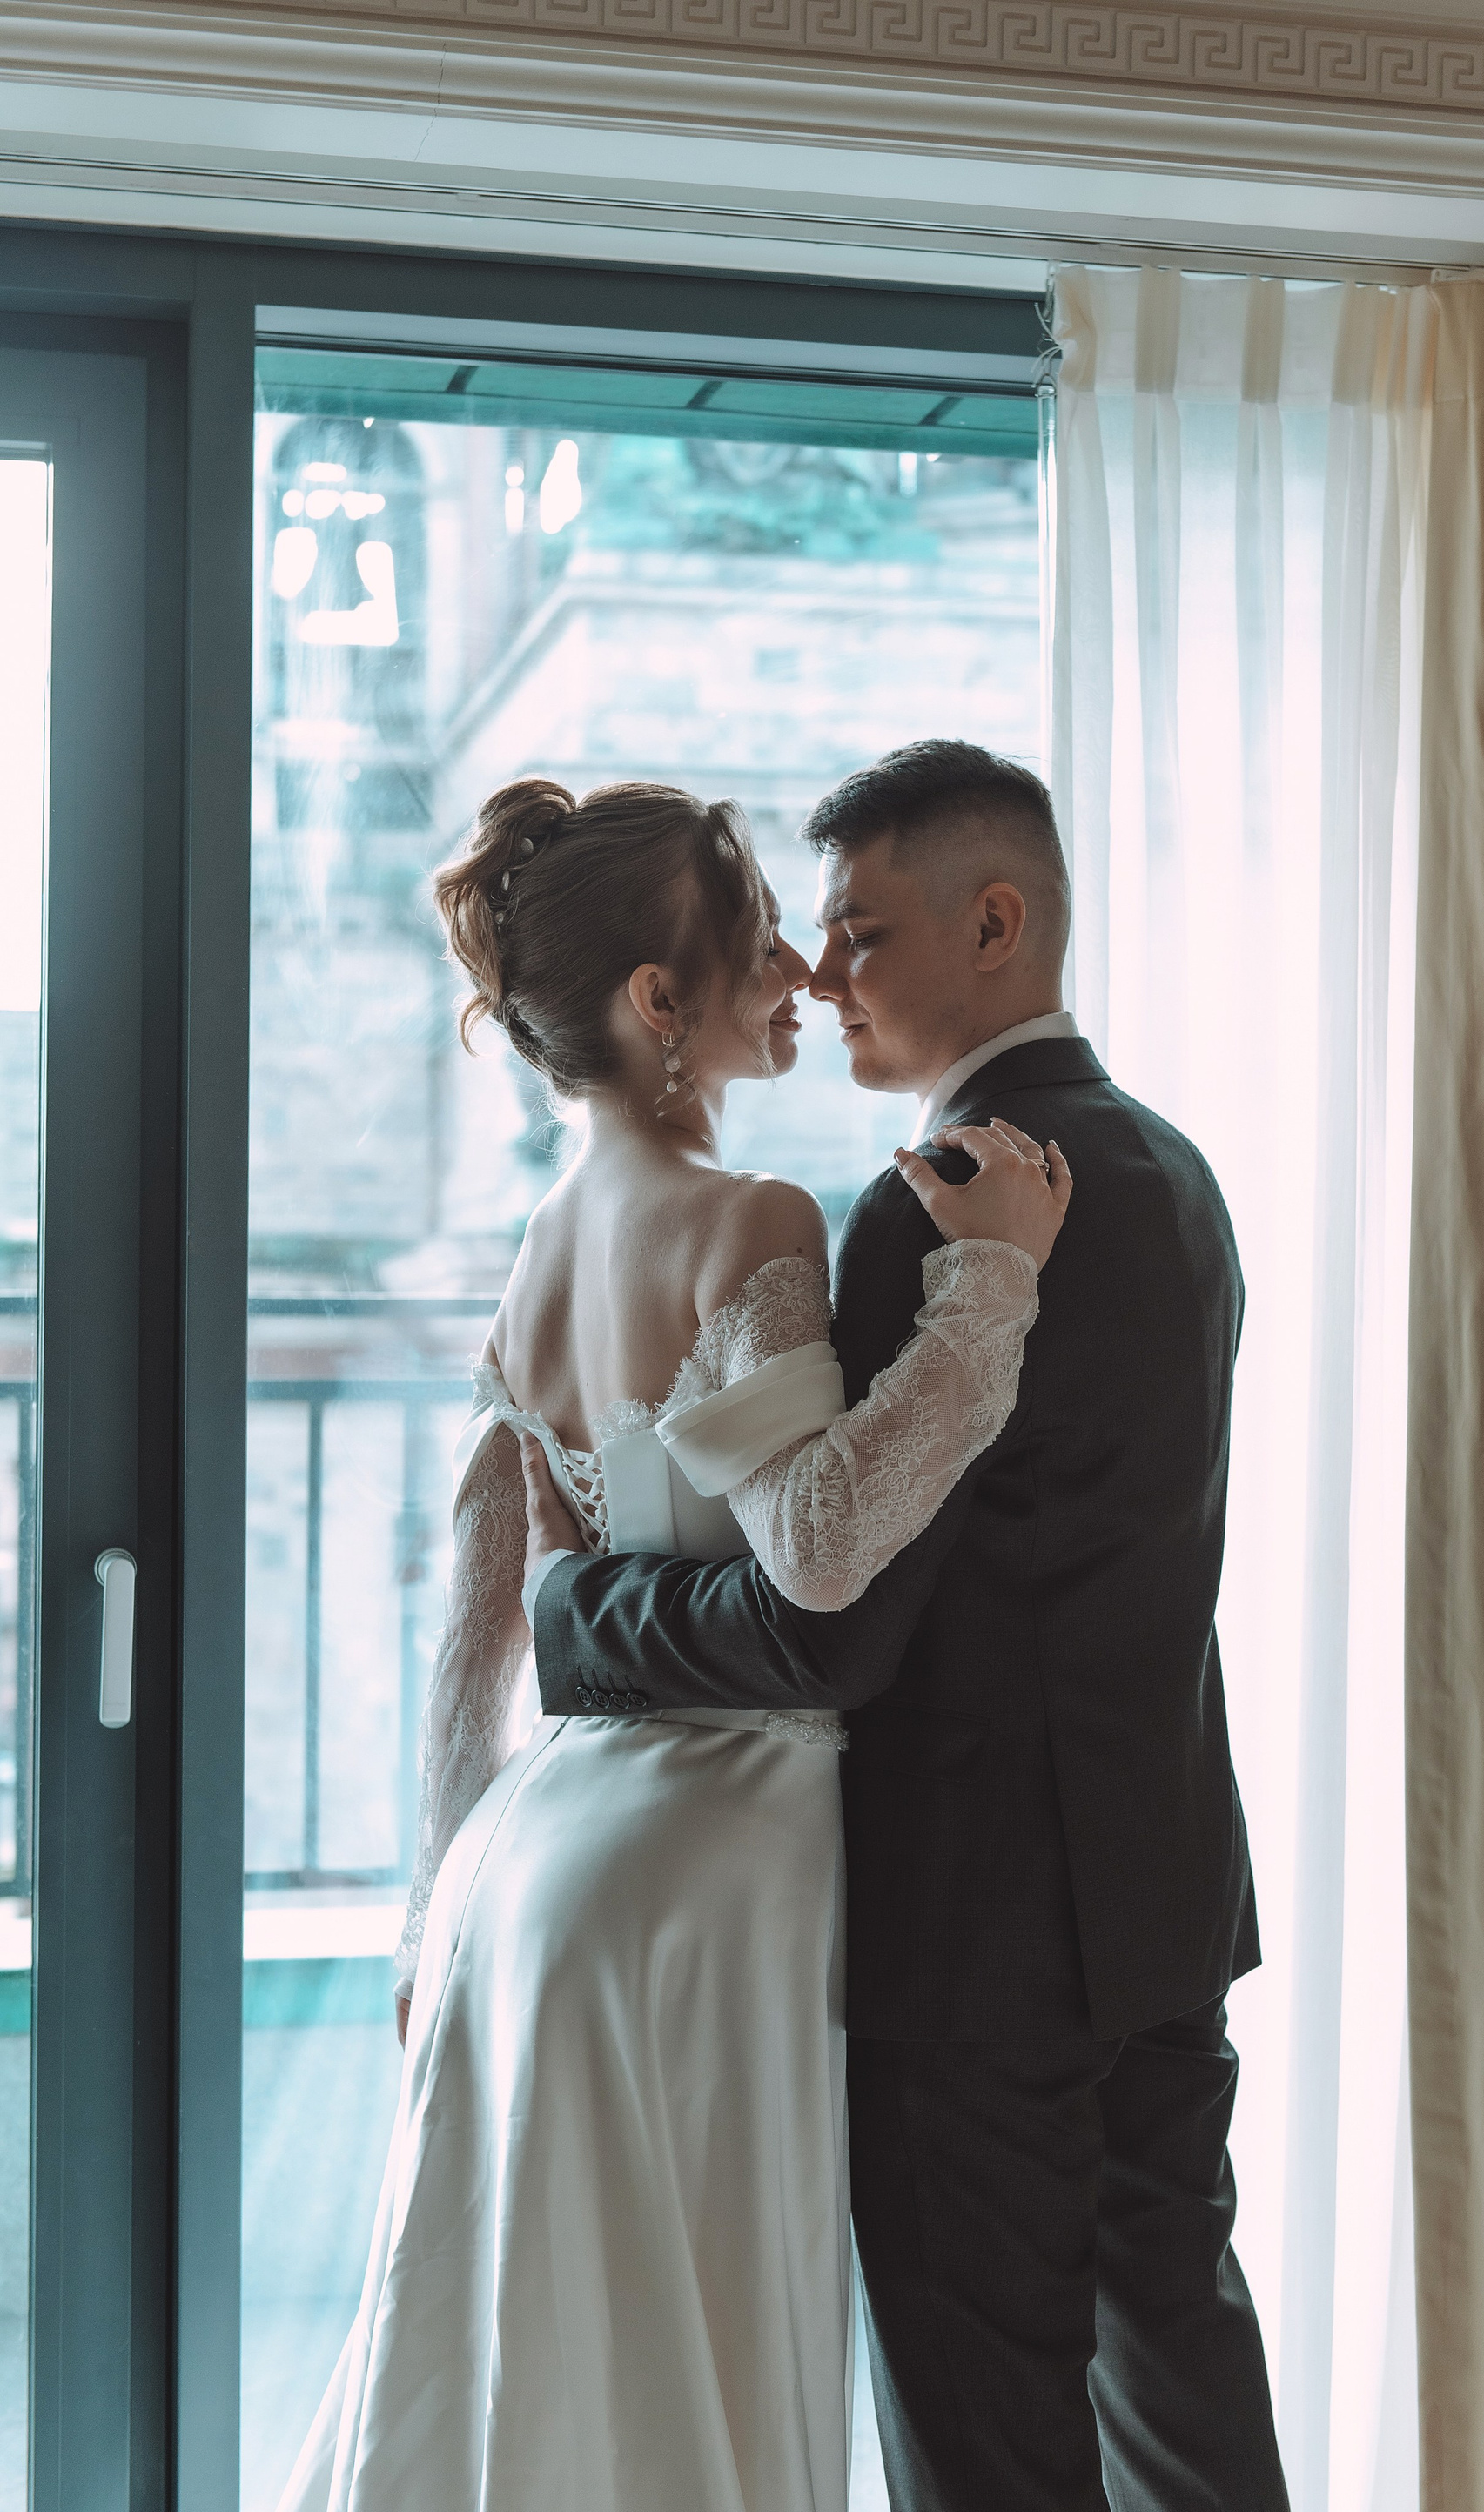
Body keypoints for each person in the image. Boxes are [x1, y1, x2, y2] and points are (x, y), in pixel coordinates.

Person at [277, 771, 1071, 2512]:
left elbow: (478, 1627)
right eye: (763, 940)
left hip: (521, 1870)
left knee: (535, 2371)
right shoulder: (749, 1221)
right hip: (711, 1865)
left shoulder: (537, 1255)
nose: (799, 972)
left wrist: (431, 1902)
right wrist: (990, 1288)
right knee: (681, 2375)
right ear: (660, 999)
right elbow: (822, 1546)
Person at [522, 739, 1290, 2512]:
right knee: (1185, 2407)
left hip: (968, 1950)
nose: (820, 970)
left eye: (861, 932)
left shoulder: (929, 1209)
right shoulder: (1178, 1176)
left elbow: (828, 1633)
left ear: (995, 925)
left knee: (984, 2445)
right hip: (1164, 1904)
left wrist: (580, 1613)